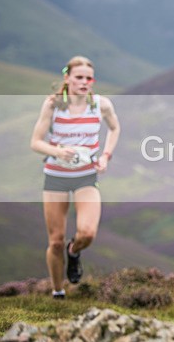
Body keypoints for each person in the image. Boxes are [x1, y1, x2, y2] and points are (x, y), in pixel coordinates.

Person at [30, 56, 120, 299]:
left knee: (87, 233)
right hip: (56, 177)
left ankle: (74, 251)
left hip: (85, 177)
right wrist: (57, 151)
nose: (83, 82)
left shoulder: (101, 105)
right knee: (55, 241)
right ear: (67, 78)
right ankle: (58, 292)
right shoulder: (53, 105)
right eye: (78, 77)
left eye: (88, 78)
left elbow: (114, 128)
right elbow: (35, 142)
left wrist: (105, 156)